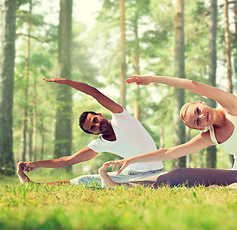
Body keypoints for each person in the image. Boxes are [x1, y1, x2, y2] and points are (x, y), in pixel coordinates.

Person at [100, 75, 237, 189]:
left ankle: (231, 189)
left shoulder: (234, 108)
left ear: (201, 103)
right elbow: (169, 152)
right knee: (179, 174)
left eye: (197, 111)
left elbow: (193, 84)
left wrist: (152, 79)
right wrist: (130, 160)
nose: (201, 116)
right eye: (197, 121)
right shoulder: (210, 136)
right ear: (200, 128)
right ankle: (117, 186)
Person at [17, 77, 163, 186]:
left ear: (100, 115)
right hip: (129, 175)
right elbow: (69, 160)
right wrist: (36, 163)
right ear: (93, 133)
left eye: (95, 120)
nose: (97, 125)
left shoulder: (121, 117)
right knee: (82, 180)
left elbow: (95, 93)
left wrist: (66, 82)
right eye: (93, 128)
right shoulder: (100, 143)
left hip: (156, 173)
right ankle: (35, 185)